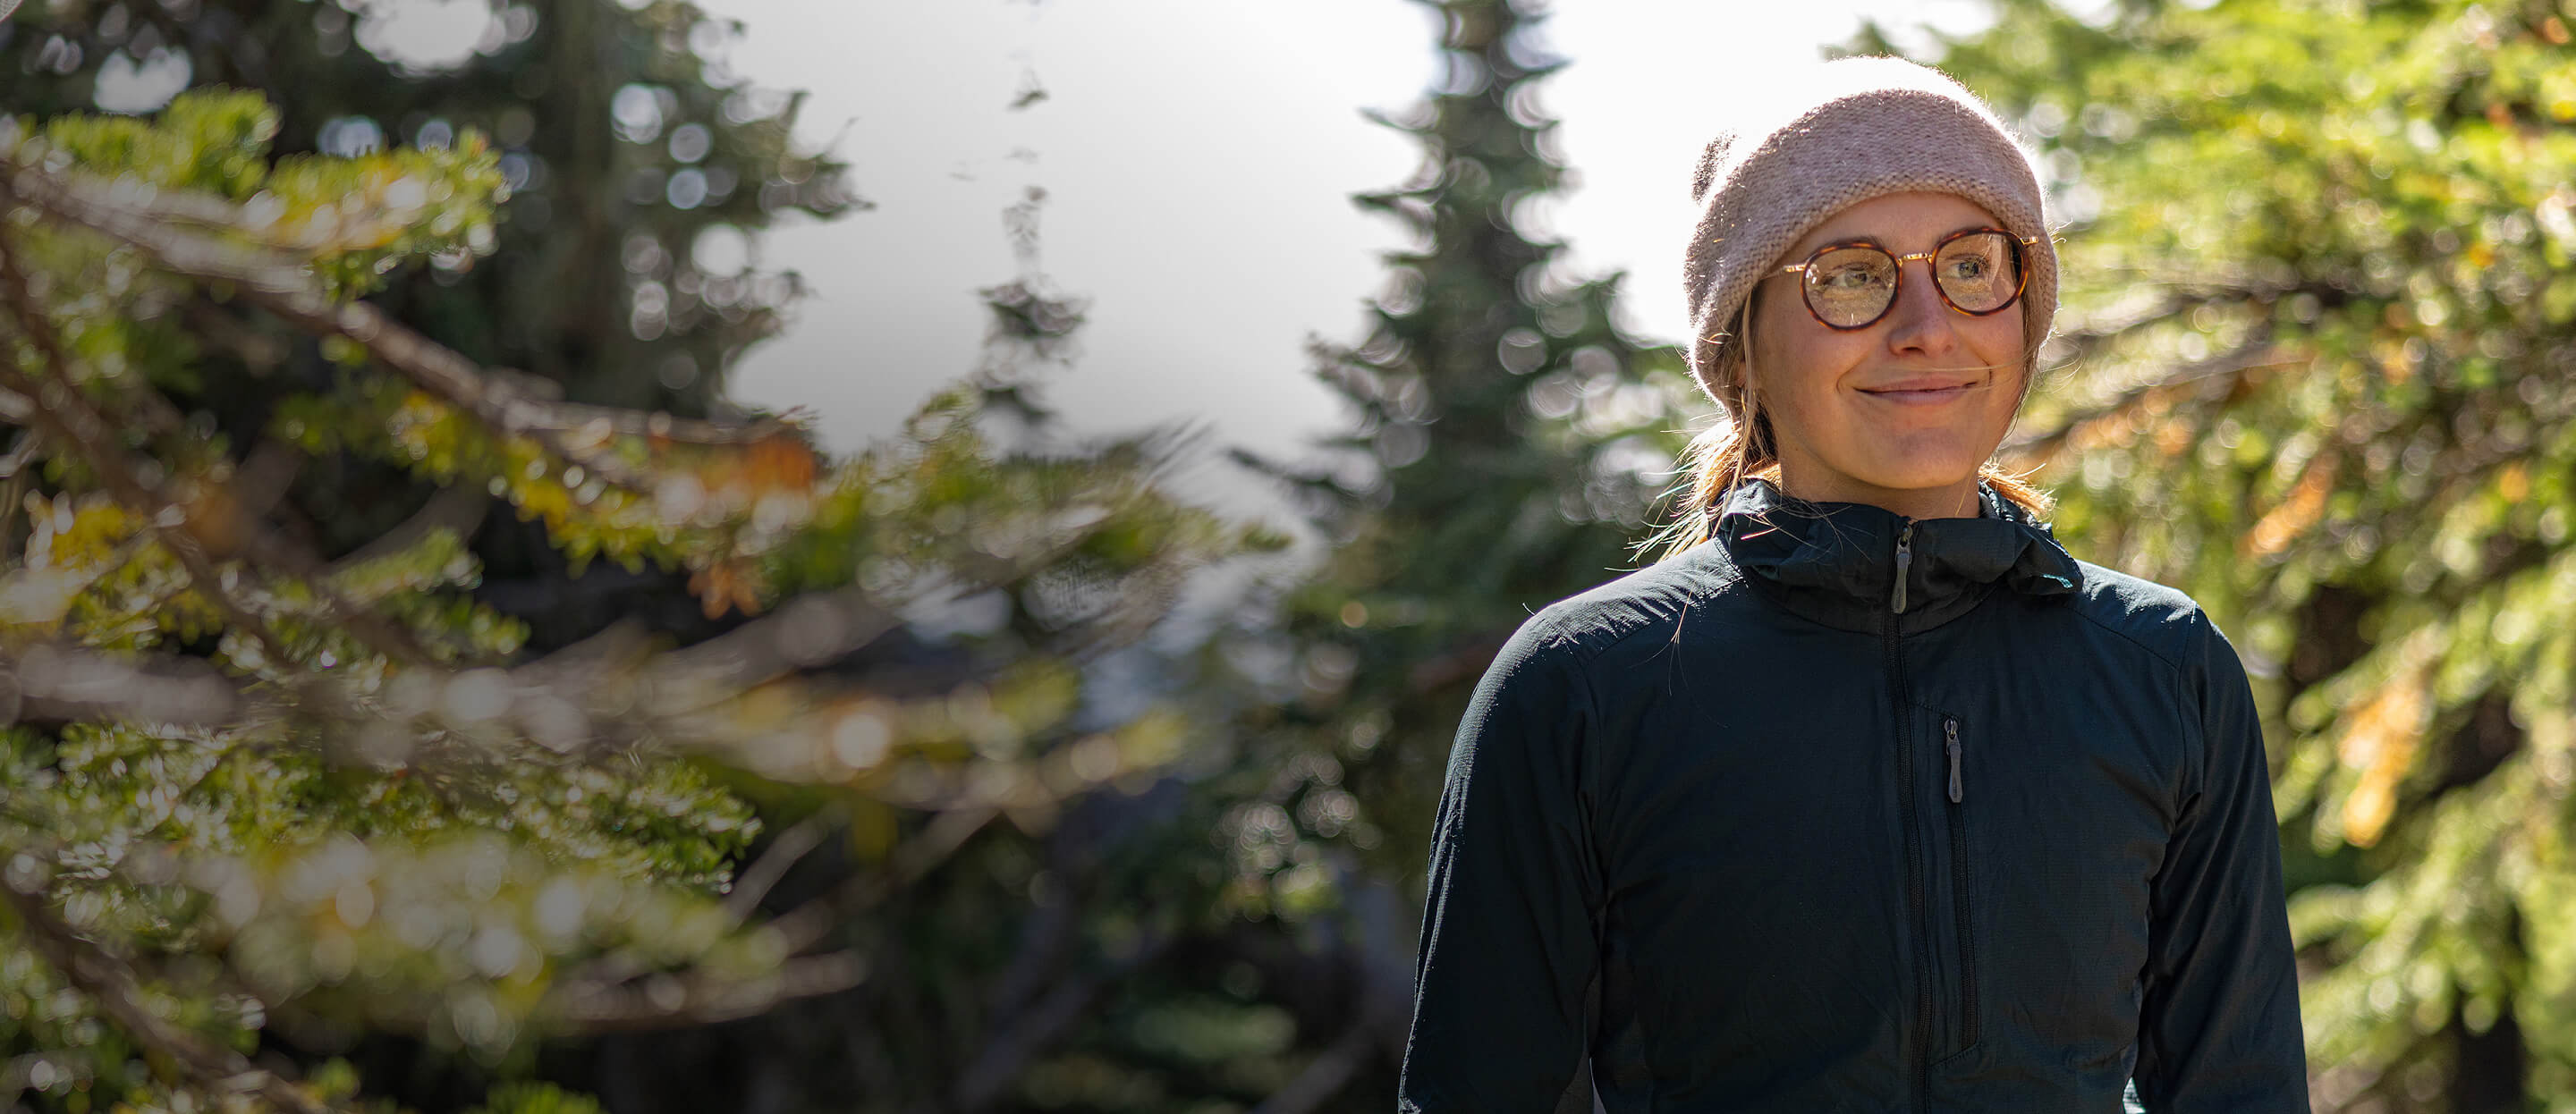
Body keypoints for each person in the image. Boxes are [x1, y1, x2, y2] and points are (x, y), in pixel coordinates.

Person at [1396, 56, 2309, 1112]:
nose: (1928, 325)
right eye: (1852, 274)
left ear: (2025, 307)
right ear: (1741, 344)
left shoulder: (2166, 670)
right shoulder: (1583, 690)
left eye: (1972, 266)